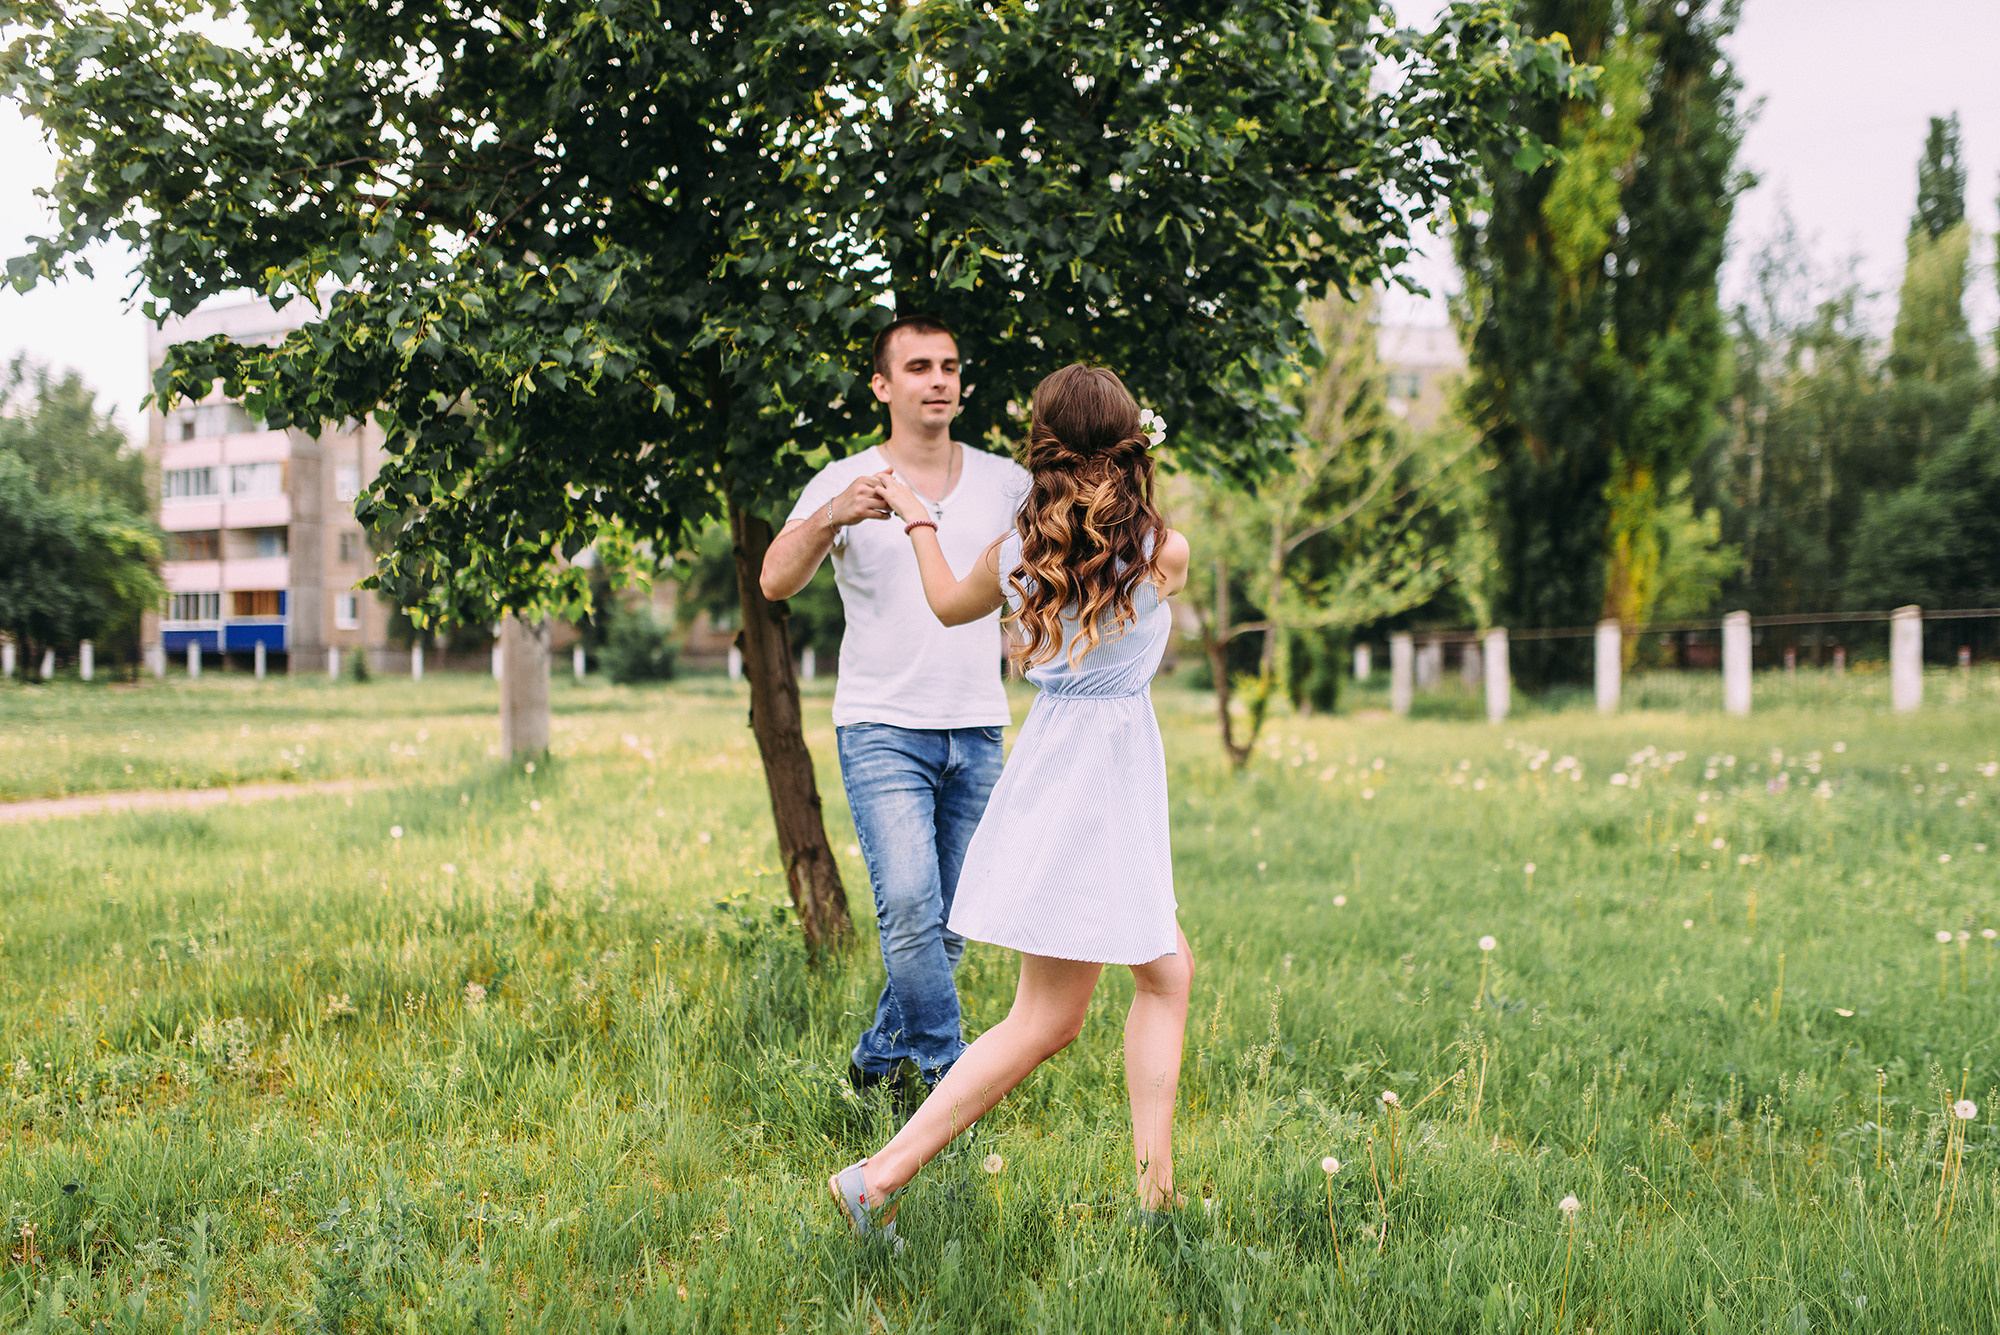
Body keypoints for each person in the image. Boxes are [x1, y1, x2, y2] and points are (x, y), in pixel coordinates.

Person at [828, 363, 1194, 1241]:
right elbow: (1132, 559)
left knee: (1162, 972)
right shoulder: (1162, 551)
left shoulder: (1020, 552)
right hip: (1100, 784)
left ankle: (1155, 1193)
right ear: (1129, 441)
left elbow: (951, 602)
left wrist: (920, 521)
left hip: (1064, 770)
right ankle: (876, 1178)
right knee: (1050, 1016)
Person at [760, 315, 1031, 1099]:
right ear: (883, 386)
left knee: (950, 925)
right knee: (911, 906)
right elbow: (775, 579)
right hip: (882, 728)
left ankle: (877, 1062)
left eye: (949, 365)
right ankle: (954, 1086)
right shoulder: (846, 481)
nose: (938, 379)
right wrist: (830, 518)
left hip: (979, 724)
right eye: (918, 366)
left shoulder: (1007, 483)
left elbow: (1030, 590)